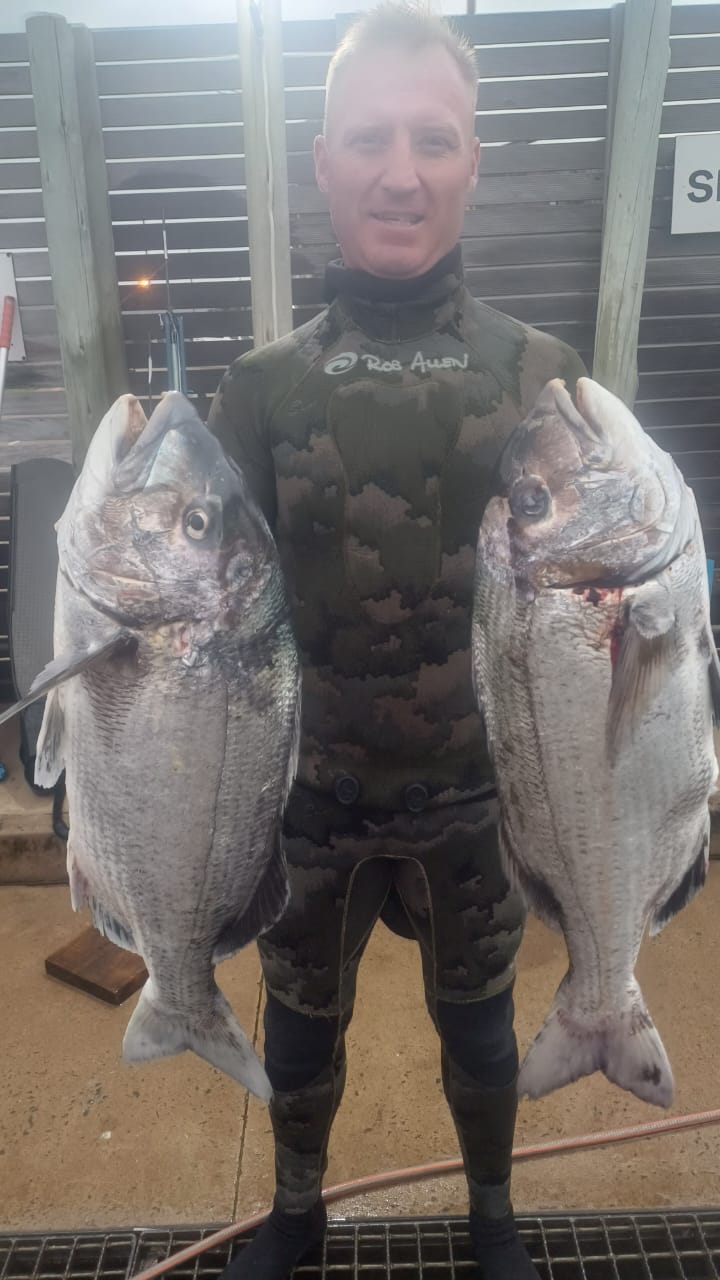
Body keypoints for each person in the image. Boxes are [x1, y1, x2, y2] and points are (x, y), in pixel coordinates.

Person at [208, 4, 586, 1277]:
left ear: (474, 158)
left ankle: (494, 1214)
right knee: (300, 1035)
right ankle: (297, 1210)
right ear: (322, 161)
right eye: (369, 138)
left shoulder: (541, 375)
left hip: (478, 798)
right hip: (308, 802)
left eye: (433, 138)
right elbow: (210, 619)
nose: (400, 172)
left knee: (479, 1031)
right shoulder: (260, 386)